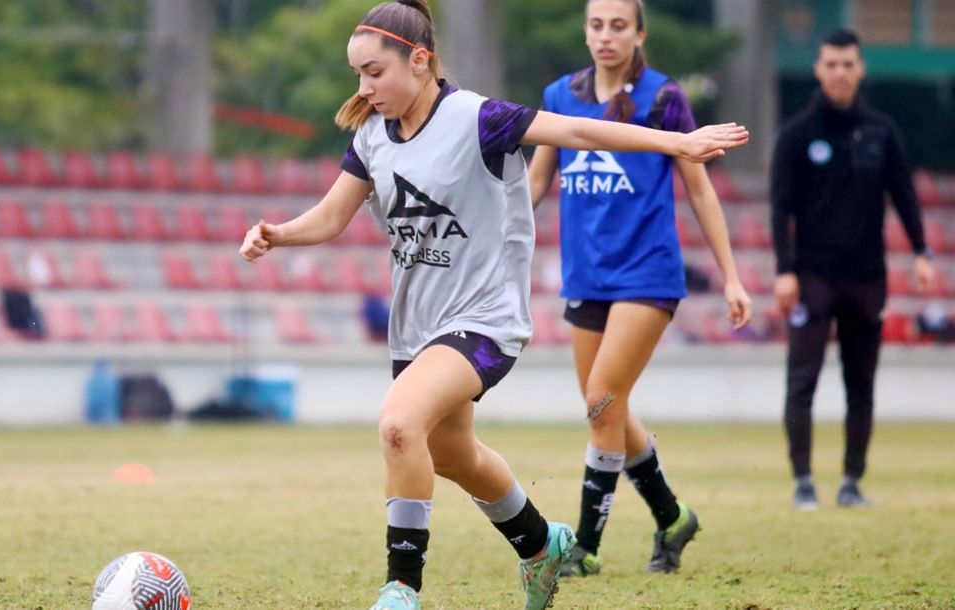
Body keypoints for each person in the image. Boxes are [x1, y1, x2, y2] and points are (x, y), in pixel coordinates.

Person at [239, 2, 747, 607]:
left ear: (420, 61)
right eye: (358, 75)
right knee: (452, 454)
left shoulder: (479, 118)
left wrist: (678, 143)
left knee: (400, 425)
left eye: (375, 72)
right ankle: (541, 545)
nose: (364, 87)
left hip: (483, 321)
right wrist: (277, 232)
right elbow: (330, 217)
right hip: (418, 330)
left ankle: (402, 588)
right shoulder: (372, 135)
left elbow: (579, 131)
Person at [527, 0, 752, 579]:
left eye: (619, 26)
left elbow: (700, 190)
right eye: (597, 25)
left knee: (603, 396)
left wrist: (730, 276)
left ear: (639, 33)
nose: (606, 36)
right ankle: (672, 516)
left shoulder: (663, 97)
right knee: (605, 409)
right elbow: (536, 181)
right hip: (586, 276)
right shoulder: (559, 97)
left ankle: (585, 546)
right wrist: (496, 240)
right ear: (585, 32)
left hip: (648, 275)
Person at [771, 29, 935, 510]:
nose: (840, 73)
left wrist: (922, 250)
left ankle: (851, 481)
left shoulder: (881, 131)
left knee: (860, 383)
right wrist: (784, 269)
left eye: (849, 64)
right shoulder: (796, 134)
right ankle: (803, 480)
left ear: (860, 69)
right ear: (819, 69)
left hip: (867, 278)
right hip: (812, 278)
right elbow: (781, 208)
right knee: (802, 380)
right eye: (832, 64)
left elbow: (903, 194)